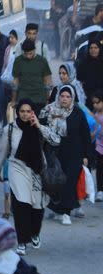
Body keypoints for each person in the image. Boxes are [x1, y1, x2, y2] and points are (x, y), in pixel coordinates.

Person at [3, 99, 59, 254]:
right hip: (17, 167)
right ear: (17, 112)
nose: (25, 114)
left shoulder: (40, 127)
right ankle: (22, 241)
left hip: (37, 170)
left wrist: (39, 126)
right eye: (22, 111)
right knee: (21, 204)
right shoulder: (10, 128)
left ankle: (34, 232)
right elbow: (4, 151)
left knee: (37, 206)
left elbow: (56, 140)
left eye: (29, 111)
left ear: (33, 112)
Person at [41, 85, 91, 225]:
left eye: (68, 96)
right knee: (56, 181)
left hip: (74, 153)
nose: (64, 99)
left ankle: (66, 212)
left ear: (72, 98)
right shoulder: (49, 110)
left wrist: (86, 155)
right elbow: (40, 128)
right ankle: (57, 208)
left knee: (69, 182)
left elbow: (85, 135)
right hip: (55, 152)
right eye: (62, 96)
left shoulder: (77, 113)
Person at [12, 39, 52, 113]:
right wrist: (14, 100)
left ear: (34, 50)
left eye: (30, 53)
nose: (28, 56)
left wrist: (47, 99)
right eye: (26, 53)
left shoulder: (42, 61)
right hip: (23, 97)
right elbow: (15, 82)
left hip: (39, 98)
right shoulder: (18, 61)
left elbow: (47, 81)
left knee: (38, 122)